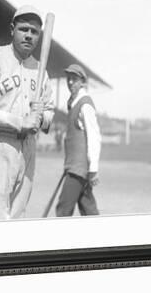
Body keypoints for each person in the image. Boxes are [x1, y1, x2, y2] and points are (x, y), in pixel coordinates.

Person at [0, 5, 55, 221]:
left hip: (26, 149)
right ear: (12, 29)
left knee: (17, 223)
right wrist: (20, 121)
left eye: (34, 32)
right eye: (24, 29)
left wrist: (41, 116)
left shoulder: (41, 71)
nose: (29, 36)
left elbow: (49, 114)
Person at [55, 64, 102, 217]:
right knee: (89, 210)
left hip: (78, 170)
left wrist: (93, 169)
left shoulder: (85, 104)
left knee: (63, 210)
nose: (70, 82)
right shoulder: (73, 102)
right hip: (75, 167)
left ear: (82, 82)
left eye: (74, 79)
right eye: (68, 79)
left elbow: (94, 137)